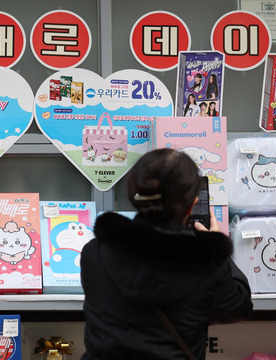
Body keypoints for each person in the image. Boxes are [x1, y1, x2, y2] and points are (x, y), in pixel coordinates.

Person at [80, 148, 252, 360]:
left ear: (132, 196)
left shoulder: (94, 252)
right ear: (192, 203)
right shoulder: (206, 263)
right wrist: (216, 249)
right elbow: (238, 307)